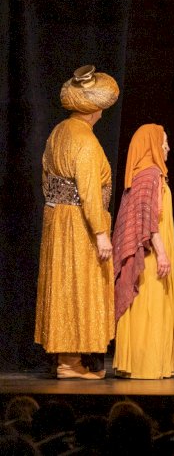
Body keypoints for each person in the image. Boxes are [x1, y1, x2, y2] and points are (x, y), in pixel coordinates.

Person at [34, 65, 119, 379]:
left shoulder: (59, 131)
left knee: (63, 283)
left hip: (57, 217)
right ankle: (70, 364)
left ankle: (68, 360)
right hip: (79, 222)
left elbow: (46, 176)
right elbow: (89, 190)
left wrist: (57, 208)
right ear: (95, 109)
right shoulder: (85, 141)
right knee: (77, 284)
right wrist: (101, 232)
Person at [112, 124, 174, 379]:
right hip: (151, 256)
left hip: (152, 251)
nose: (167, 147)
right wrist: (161, 253)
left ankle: (140, 364)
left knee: (152, 308)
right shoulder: (150, 174)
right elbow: (147, 219)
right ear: (152, 145)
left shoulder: (143, 175)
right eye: (164, 142)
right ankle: (146, 365)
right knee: (150, 308)